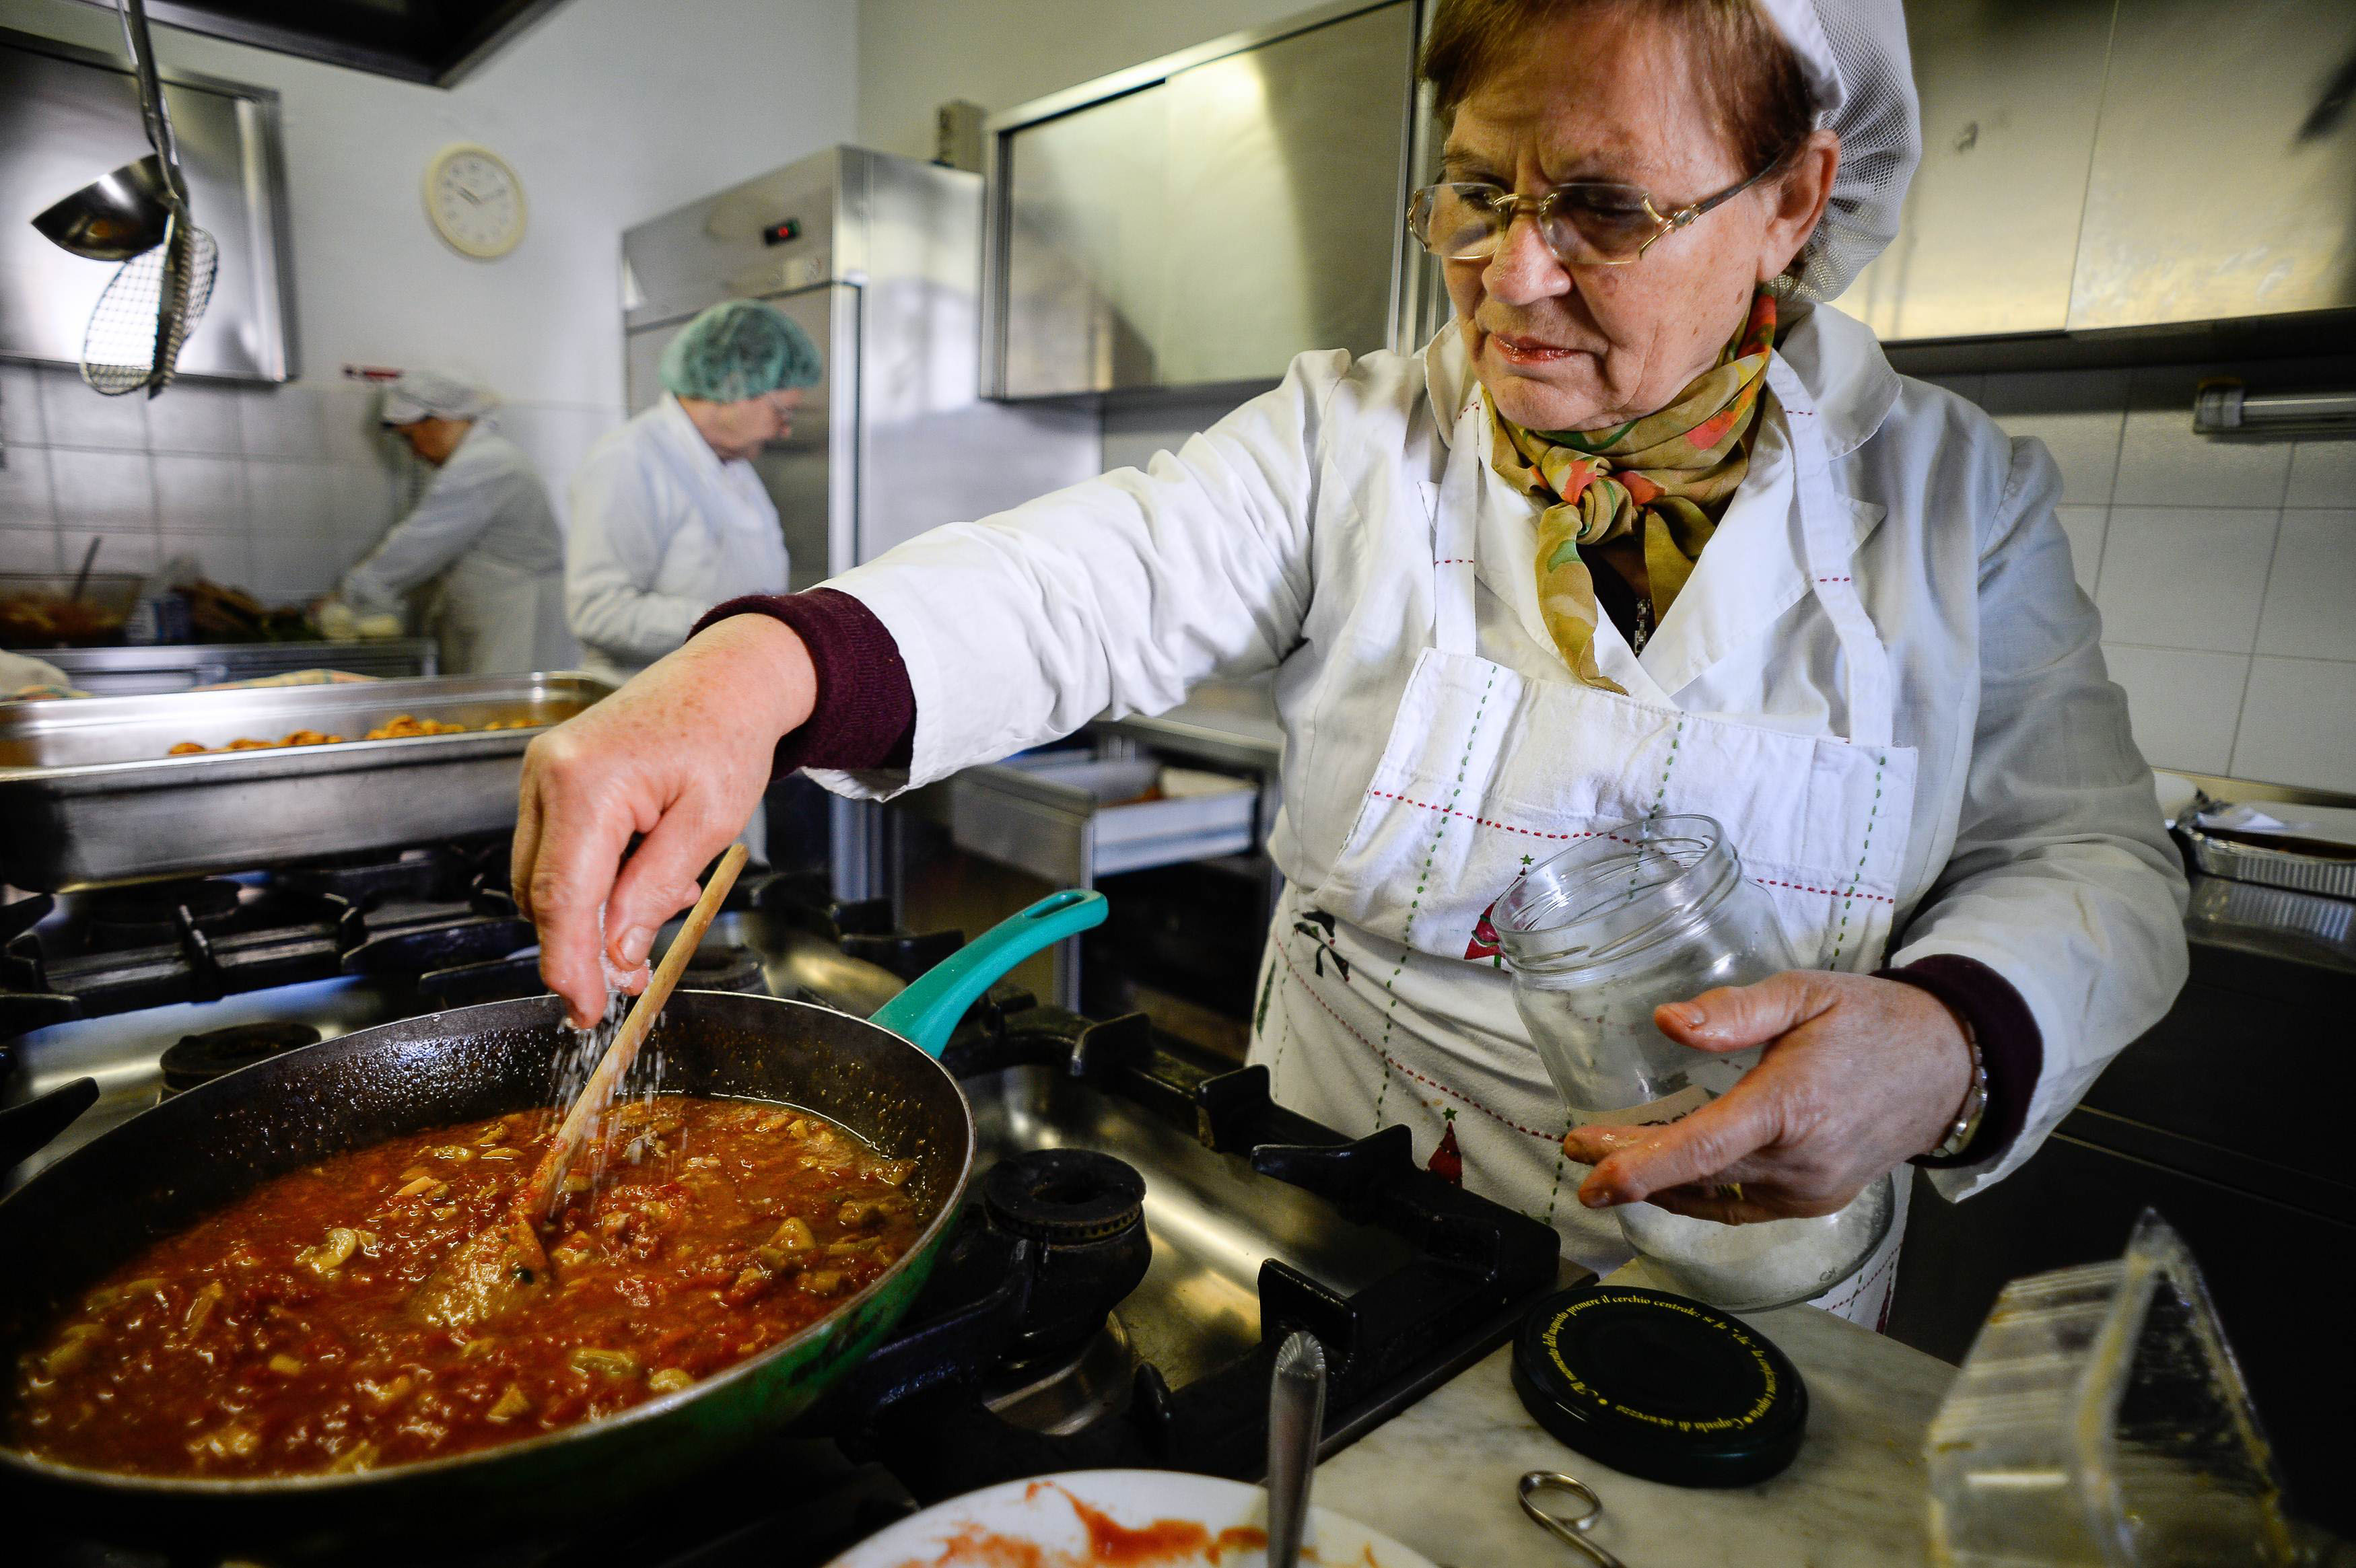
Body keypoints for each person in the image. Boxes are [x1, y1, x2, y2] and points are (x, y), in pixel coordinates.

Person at [512, 0, 2188, 1323]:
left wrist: (1956, 1039)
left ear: (1792, 200)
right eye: (1477, 186)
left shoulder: (1956, 501)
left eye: (1599, 206)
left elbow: (2093, 852)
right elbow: (1085, 580)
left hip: (1746, 1288)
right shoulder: (1358, 436)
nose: (1508, 273)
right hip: (1337, 1214)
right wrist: (761, 673)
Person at [563, 299, 821, 684]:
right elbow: (598, 611)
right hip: (645, 703)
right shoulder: (629, 460)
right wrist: (741, 622)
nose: (785, 429)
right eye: (782, 412)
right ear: (734, 387)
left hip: (722, 691)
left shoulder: (735, 464)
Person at [334, 371, 572, 676]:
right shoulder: (480, 460)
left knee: (507, 714)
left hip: (516, 617)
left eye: (410, 438)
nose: (414, 452)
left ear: (437, 420)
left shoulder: (485, 464)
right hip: (500, 613)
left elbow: (419, 544)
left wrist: (350, 594)